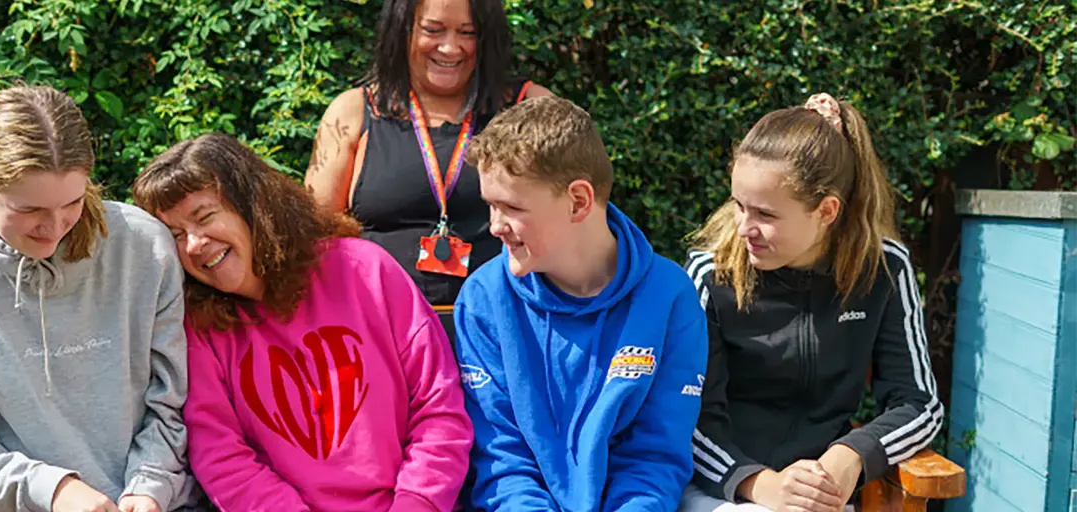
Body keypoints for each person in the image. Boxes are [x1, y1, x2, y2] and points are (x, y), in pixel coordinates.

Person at [131, 133, 474, 512]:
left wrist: (416, 504)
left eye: (205, 217)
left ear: (252, 205)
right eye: (176, 235)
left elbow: (438, 408)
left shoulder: (366, 270)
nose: (194, 244)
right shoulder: (199, 328)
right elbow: (222, 457)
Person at [0, 85, 198, 512]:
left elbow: (176, 399)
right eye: (30, 210)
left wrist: (148, 486)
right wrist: (53, 490)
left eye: (72, 203)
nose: (54, 227)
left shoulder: (144, 247)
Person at [679, 93, 944, 512]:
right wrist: (758, 483)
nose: (744, 227)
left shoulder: (883, 269)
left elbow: (920, 405)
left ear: (826, 211)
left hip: (823, 494)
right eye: (738, 205)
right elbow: (685, 415)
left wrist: (852, 455)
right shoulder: (710, 275)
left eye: (765, 214)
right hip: (725, 492)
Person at [453, 95, 708, 511]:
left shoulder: (670, 296)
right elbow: (503, 462)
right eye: (490, 206)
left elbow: (654, 458)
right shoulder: (483, 301)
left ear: (578, 201)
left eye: (512, 208)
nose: (495, 226)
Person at [304, 0, 553, 328]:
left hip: (506, 328)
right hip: (382, 332)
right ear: (402, 31)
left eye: (468, 33)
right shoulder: (351, 113)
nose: (450, 48)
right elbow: (313, 238)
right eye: (433, 30)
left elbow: (568, 225)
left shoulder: (530, 108)